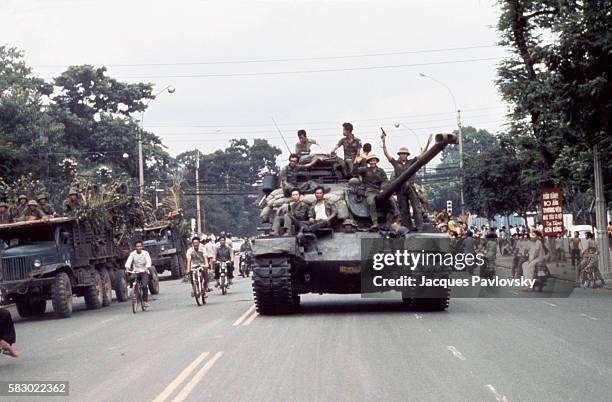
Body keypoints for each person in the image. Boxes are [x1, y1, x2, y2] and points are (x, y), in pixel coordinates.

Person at [381, 129, 432, 231]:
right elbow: (386, 154)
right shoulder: (396, 163)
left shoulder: (411, 162)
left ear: (407, 155)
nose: (403, 155)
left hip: (410, 187)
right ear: (399, 155)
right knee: (404, 210)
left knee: (416, 207)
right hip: (400, 189)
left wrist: (427, 143)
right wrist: (383, 141)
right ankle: (408, 227)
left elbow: (422, 155)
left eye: (405, 154)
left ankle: (419, 227)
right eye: (401, 154)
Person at [354, 154, 388, 230]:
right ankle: (375, 222)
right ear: (369, 162)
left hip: (379, 190)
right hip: (370, 190)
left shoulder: (381, 171)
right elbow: (355, 171)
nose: (373, 162)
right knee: (371, 202)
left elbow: (385, 180)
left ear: (376, 161)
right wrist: (356, 163)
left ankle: (391, 221)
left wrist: (383, 188)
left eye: (374, 160)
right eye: (371, 161)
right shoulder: (365, 169)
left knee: (391, 201)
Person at [124, 240, 152, 308]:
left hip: (144, 271)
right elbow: (129, 261)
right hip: (136, 271)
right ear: (135, 247)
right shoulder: (132, 254)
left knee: (144, 286)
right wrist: (127, 268)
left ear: (142, 247)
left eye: (140, 246)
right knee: (131, 278)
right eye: (137, 246)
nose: (138, 247)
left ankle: (145, 301)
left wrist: (147, 267)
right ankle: (133, 290)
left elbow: (149, 261)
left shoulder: (145, 253)